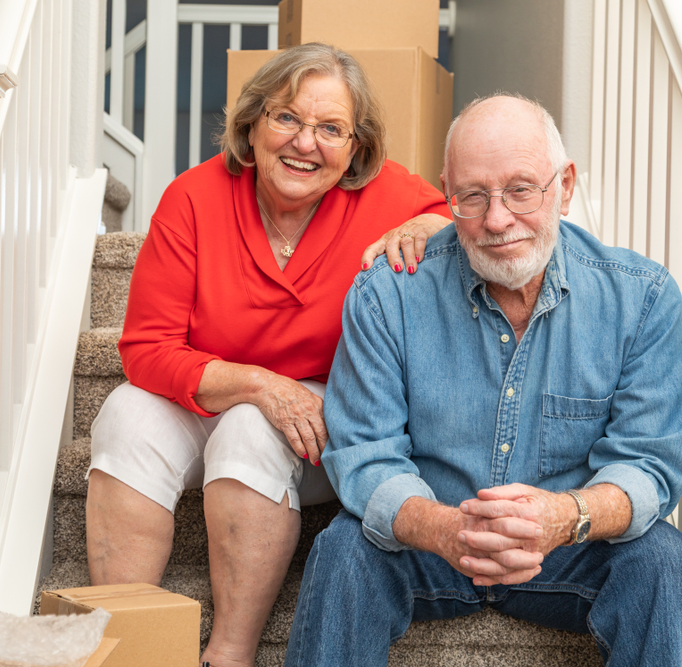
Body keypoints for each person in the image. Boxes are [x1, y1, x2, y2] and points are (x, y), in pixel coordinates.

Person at [285, 94, 682, 667]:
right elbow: (365, 455)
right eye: (473, 196)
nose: (497, 219)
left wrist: (565, 516)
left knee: (664, 559)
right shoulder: (387, 293)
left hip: (569, 547)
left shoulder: (642, 298)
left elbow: (651, 465)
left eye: (521, 190)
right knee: (344, 549)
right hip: (430, 540)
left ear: (565, 185)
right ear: (447, 194)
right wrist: (443, 528)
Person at [84, 43, 452, 667]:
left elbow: (471, 213)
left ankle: (229, 653)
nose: (305, 143)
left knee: (253, 432)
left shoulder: (385, 195)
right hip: (216, 385)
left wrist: (430, 225)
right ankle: (124, 648)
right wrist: (258, 382)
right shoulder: (194, 198)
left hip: (321, 415)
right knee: (124, 412)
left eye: (330, 128)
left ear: (356, 148)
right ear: (252, 125)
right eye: (286, 118)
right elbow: (146, 349)